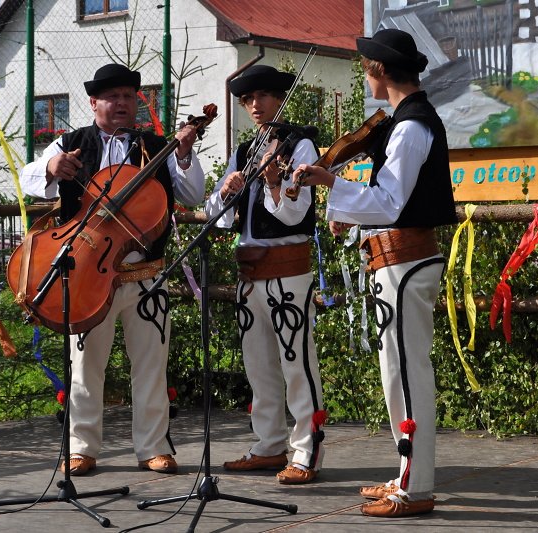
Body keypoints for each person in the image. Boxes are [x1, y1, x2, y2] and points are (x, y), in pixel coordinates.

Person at [293, 29, 457, 516]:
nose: (365, 76)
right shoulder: (406, 122)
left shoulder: (410, 127)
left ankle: (415, 487)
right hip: (397, 261)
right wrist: (347, 206)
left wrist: (332, 181)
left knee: (407, 373)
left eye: (366, 69)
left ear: (380, 71)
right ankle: (406, 473)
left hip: (406, 263)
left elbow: (389, 202)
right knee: (397, 372)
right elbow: (389, 202)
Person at [20, 63, 205, 476]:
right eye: (112, 97)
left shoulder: (155, 146)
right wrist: (51, 167)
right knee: (85, 365)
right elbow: (28, 178)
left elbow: (193, 194)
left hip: (145, 272)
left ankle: (153, 446)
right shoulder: (72, 143)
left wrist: (183, 153)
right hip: (87, 274)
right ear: (93, 103)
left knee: (151, 364)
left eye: (127, 96)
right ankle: (81, 448)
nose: (122, 103)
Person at [205, 64, 326, 485]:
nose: (254, 105)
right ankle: (269, 444)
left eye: (262, 96)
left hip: (287, 268)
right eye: (247, 99)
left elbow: (296, 212)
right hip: (249, 271)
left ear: (279, 98)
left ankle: (307, 451)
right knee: (258, 365)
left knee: (297, 363)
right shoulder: (244, 151)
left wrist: (274, 184)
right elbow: (216, 216)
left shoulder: (300, 144)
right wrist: (227, 192)